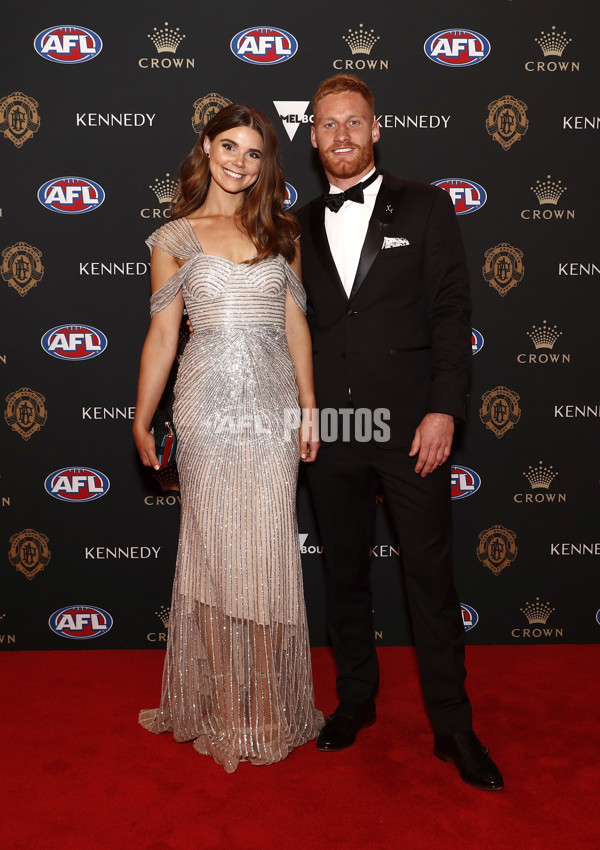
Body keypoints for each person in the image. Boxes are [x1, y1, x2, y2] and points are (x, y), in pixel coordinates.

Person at [296, 74, 503, 791]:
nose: (342, 135)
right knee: (344, 573)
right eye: (328, 124)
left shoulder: (426, 204)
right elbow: (287, 326)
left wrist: (446, 408)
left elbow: (452, 310)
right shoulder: (295, 222)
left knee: (430, 581)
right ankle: (356, 701)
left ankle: (452, 727)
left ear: (375, 130)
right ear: (313, 135)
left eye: (354, 122)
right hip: (333, 429)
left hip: (413, 426)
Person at [133, 104, 323, 773]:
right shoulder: (174, 237)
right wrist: (141, 416)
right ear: (206, 148)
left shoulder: (283, 231)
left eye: (253, 153)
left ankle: (268, 705)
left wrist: (308, 406)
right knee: (214, 552)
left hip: (271, 408)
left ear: (267, 163)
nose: (239, 163)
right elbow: (163, 335)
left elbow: (297, 325)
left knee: (268, 551)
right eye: (228, 147)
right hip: (207, 404)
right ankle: (221, 707)